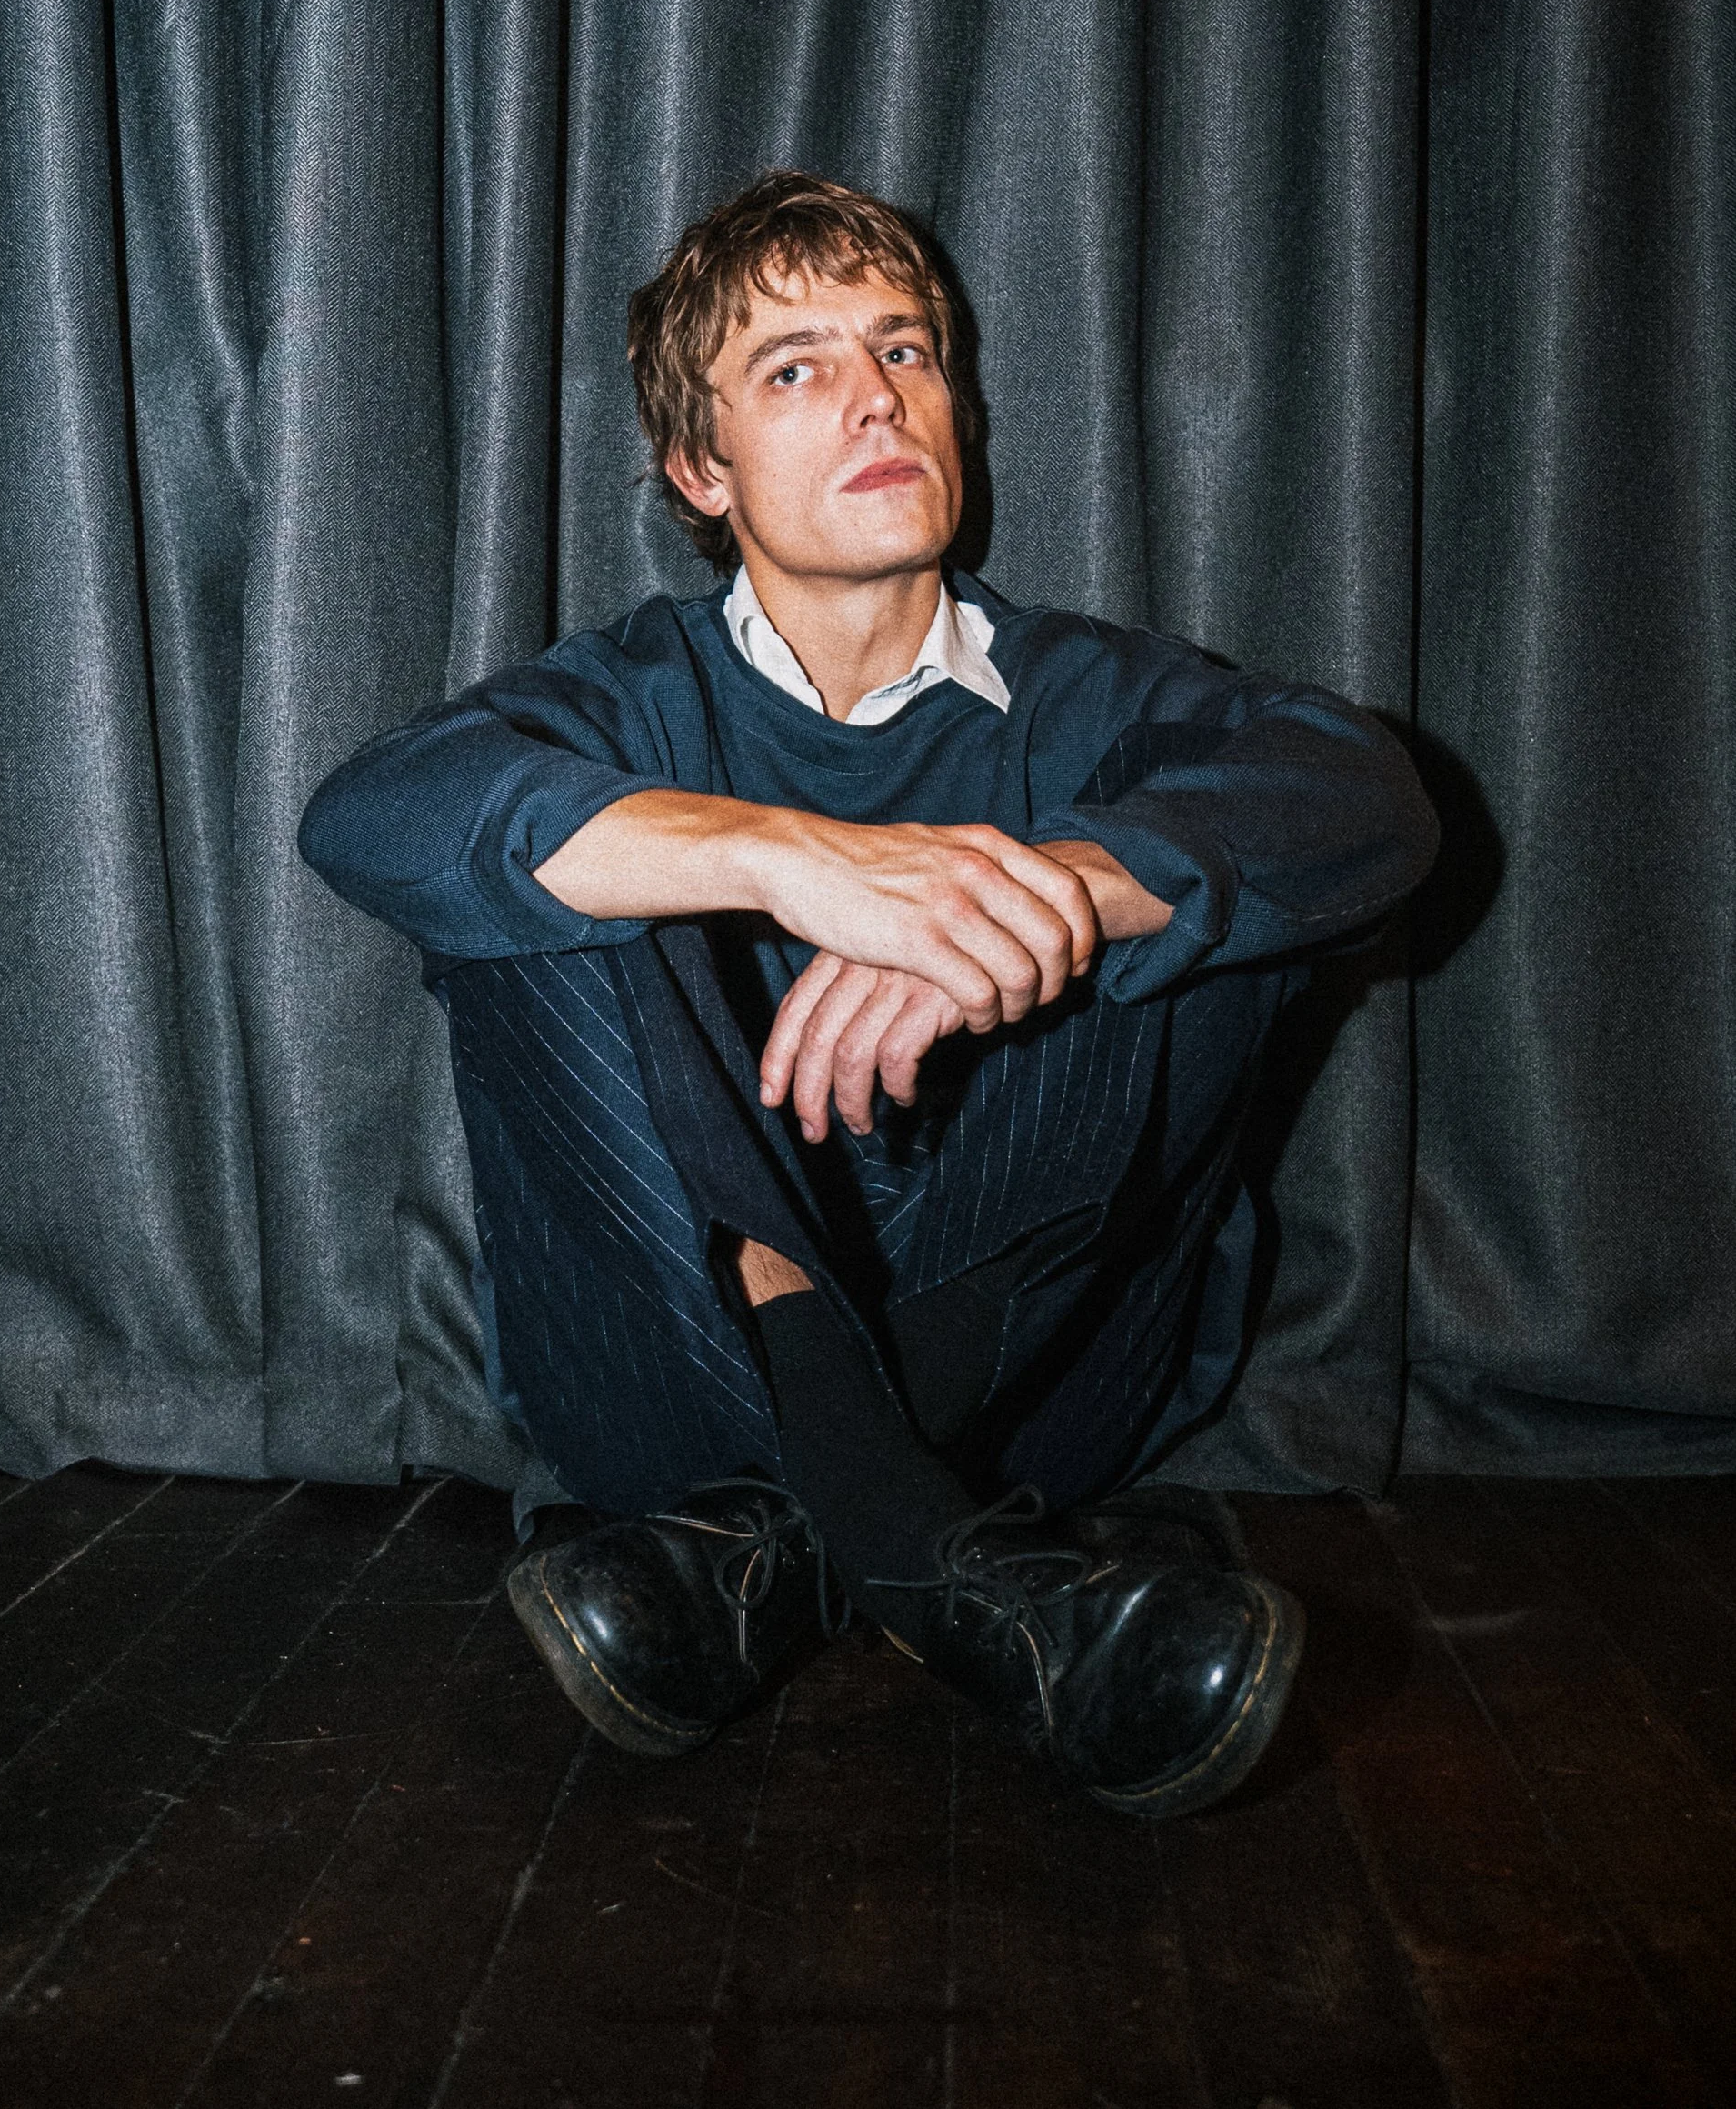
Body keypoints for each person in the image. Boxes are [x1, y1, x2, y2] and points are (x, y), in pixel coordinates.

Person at [300, 171, 1437, 1819]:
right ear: (701, 470)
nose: (879, 396)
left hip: (1047, 1378)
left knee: (1185, 884)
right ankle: (955, 1573)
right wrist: (785, 857)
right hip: (663, 1384)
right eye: (796, 368)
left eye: (906, 349)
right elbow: (367, 810)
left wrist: (1040, 898)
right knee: (557, 874)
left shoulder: (1089, 690)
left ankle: (785, 1553)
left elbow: (1371, 805)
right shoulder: (626, 697)